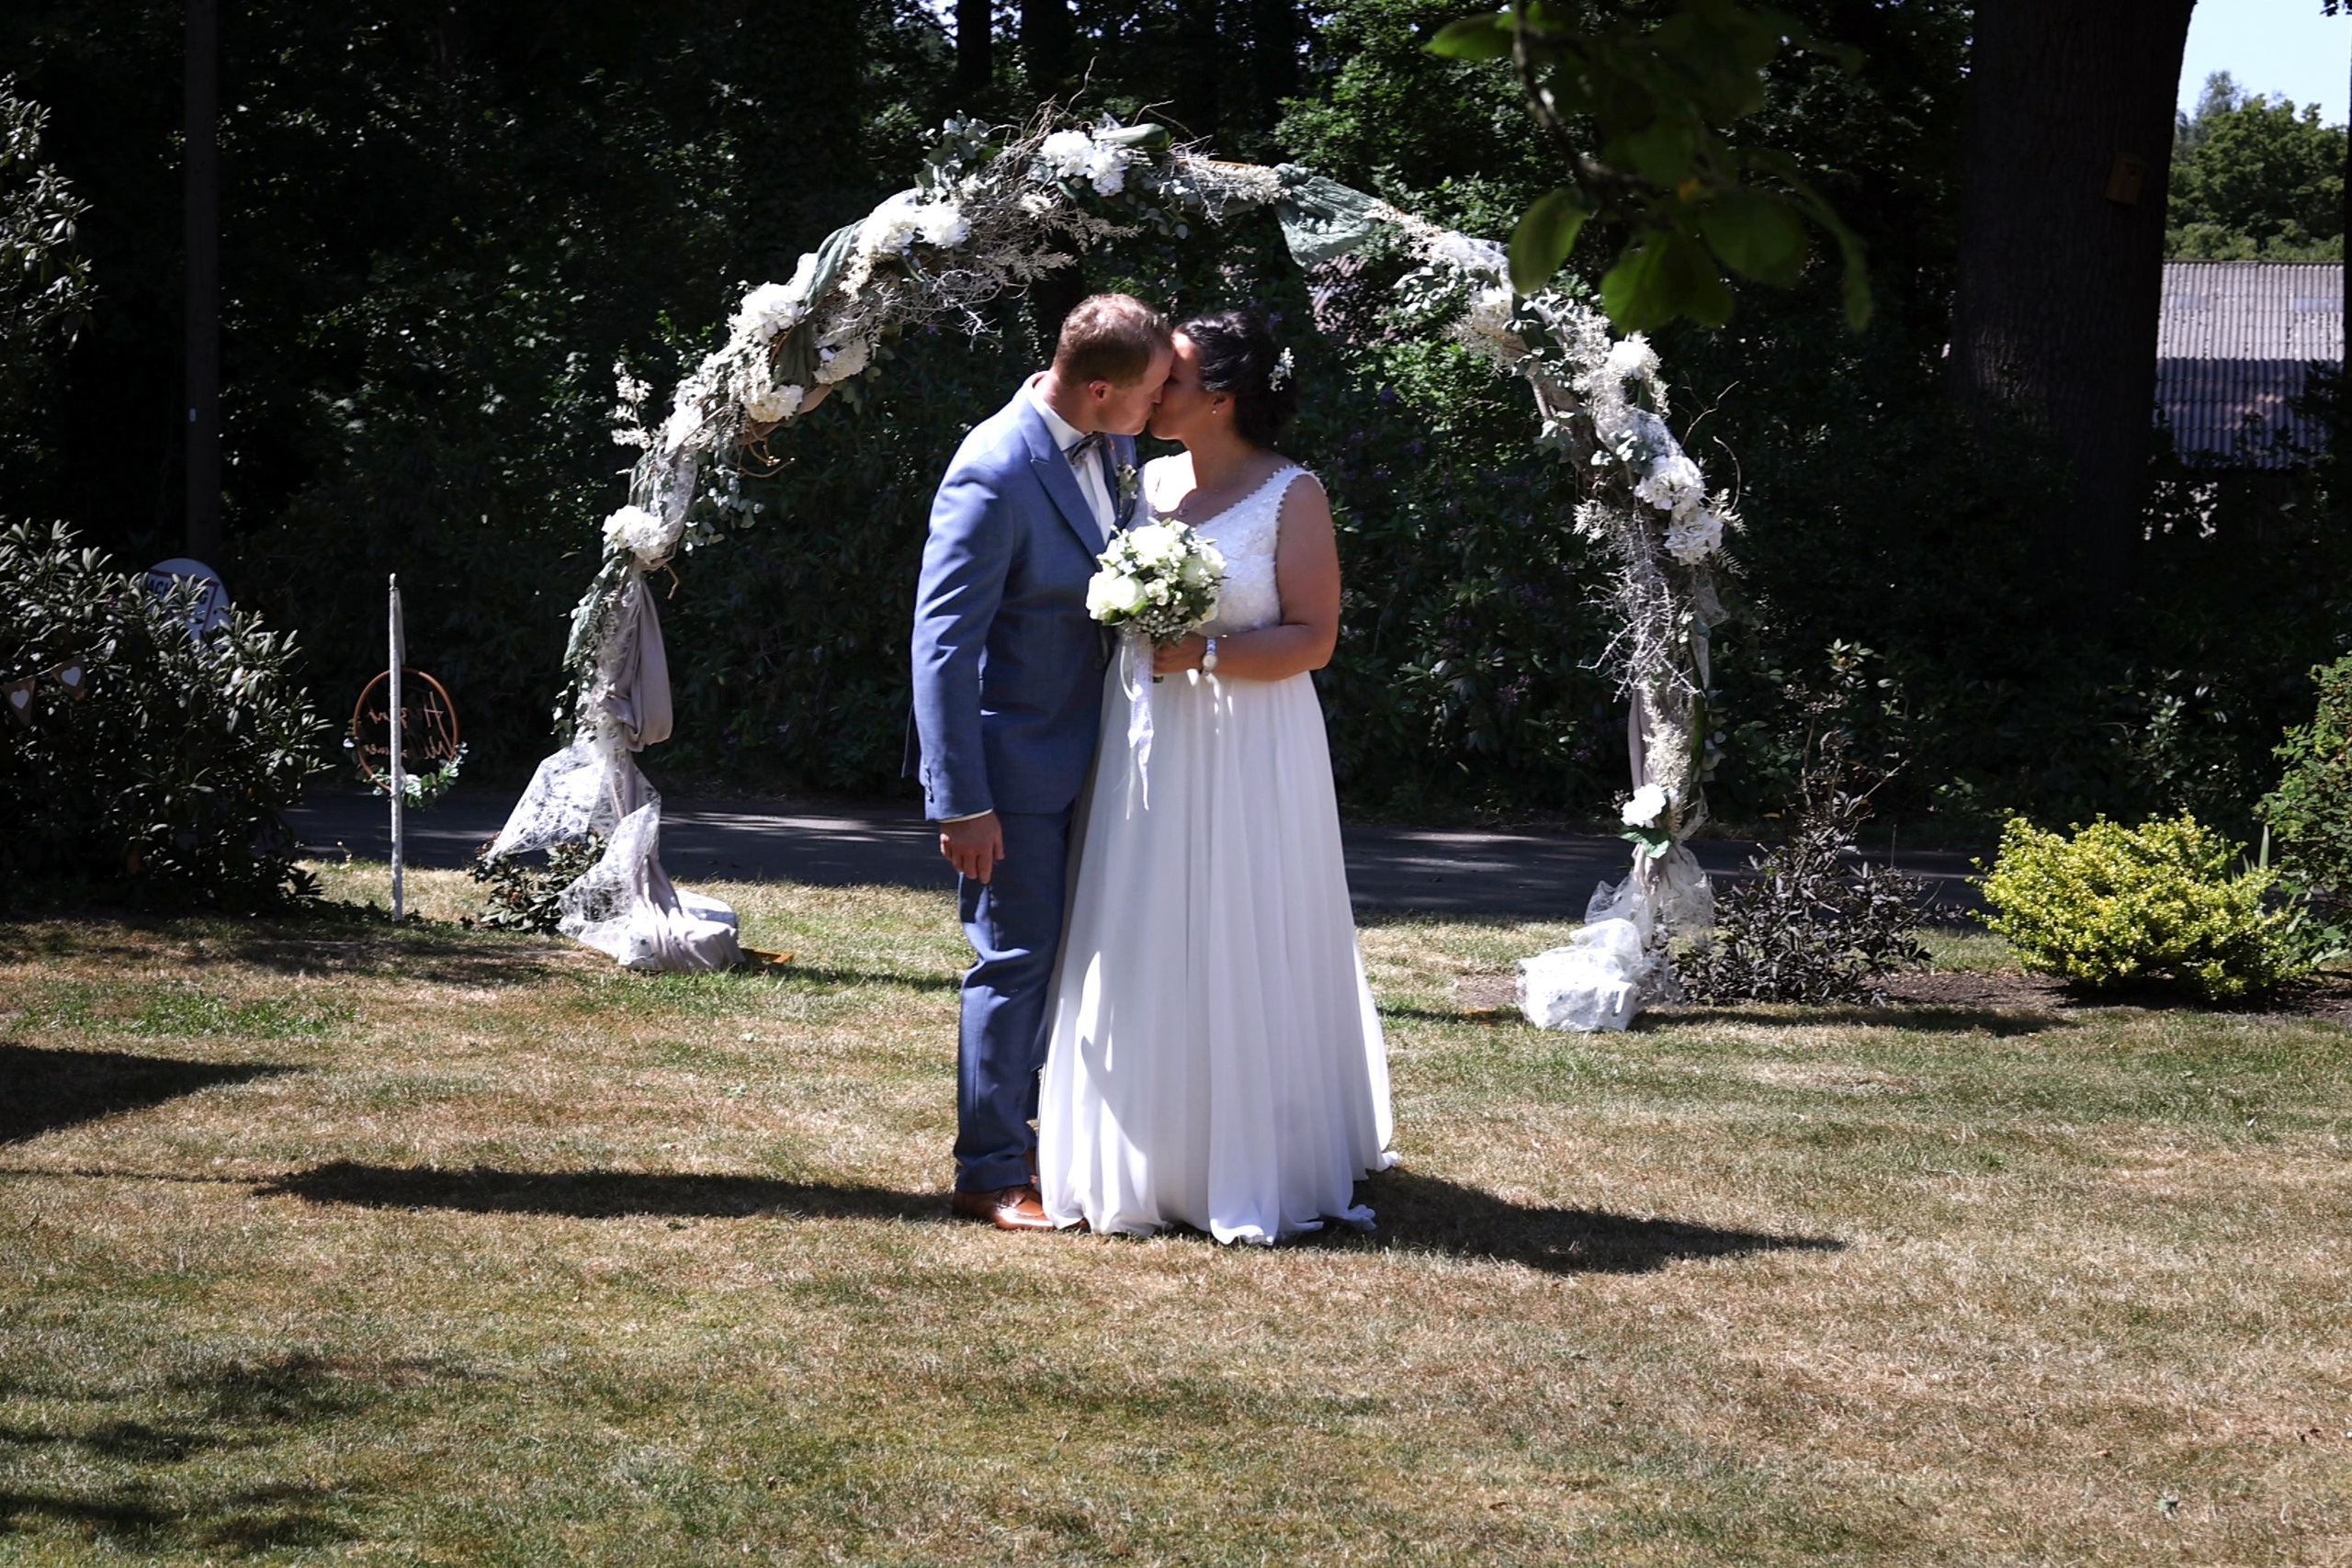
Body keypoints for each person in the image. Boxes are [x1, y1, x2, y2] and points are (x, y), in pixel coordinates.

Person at [1037, 309, 1397, 1244]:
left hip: (1249, 745)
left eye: (1175, 377)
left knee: (1243, 922)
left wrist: (1195, 652)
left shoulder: (1291, 494)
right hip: (1145, 743)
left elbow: (1311, 639)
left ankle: (1248, 1152)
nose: (1153, 386)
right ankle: (1144, 1150)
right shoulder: (1137, 478)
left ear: (1224, 399)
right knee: (1142, 918)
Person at [909, 294, 1175, 1231]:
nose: (1160, 407)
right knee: (1012, 963)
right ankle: (987, 1172)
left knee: (1081, 961)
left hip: (1103, 757)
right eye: (1148, 394)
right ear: (1097, 387)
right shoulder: (992, 469)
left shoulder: (1112, 445)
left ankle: (1060, 1143)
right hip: (1013, 771)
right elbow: (942, 644)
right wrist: (959, 801)